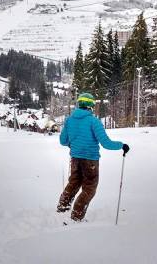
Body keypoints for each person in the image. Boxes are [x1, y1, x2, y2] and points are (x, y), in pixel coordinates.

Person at [57, 93, 130, 221]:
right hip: (90, 160)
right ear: (91, 106)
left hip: (75, 159)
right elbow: (106, 143)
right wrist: (122, 145)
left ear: (79, 104)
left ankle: (62, 208)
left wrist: (73, 144)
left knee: (73, 183)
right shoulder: (93, 121)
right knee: (89, 188)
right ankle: (76, 216)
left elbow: (63, 141)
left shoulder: (69, 120)